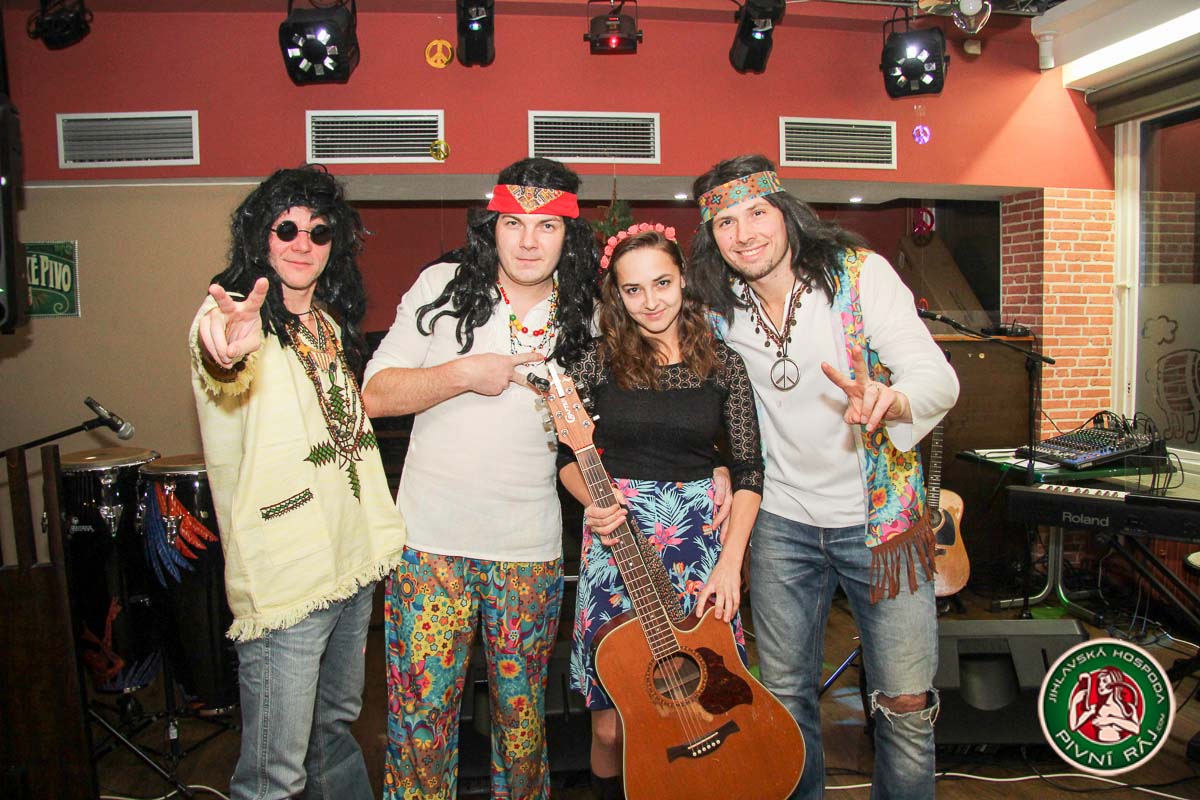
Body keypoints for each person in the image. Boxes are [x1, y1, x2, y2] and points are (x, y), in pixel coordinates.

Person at [689, 155, 960, 800]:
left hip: (882, 526)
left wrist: (892, 400)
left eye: (757, 212)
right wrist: (718, 459)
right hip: (781, 523)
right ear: (711, 236)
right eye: (725, 222)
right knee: (785, 699)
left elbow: (938, 378)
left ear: (786, 214)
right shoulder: (717, 307)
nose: (744, 233)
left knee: (904, 701)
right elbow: (703, 400)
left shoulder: (858, 277)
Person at [361, 157, 598, 800]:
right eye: (514, 223)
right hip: (429, 547)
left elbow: (598, 437)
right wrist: (466, 373)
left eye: (547, 226)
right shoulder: (443, 286)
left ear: (568, 234)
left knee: (523, 730)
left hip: (528, 551)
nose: (529, 241)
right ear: (490, 225)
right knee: (421, 727)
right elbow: (374, 395)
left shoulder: (587, 312)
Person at [190, 165, 407, 800]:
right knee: (274, 775)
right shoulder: (234, 316)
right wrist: (225, 348)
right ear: (260, 234)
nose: (302, 244)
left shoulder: (329, 325)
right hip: (288, 573)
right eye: (286, 229)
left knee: (333, 731)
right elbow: (221, 360)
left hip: (350, 563)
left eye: (318, 231)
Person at [557, 223, 764, 800]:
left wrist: (731, 563)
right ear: (617, 297)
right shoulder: (597, 362)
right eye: (633, 290)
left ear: (683, 281)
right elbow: (566, 461)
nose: (650, 301)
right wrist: (596, 503)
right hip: (616, 543)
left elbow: (749, 470)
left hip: (699, 549)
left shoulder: (724, 365)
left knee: (708, 697)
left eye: (662, 283)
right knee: (612, 724)